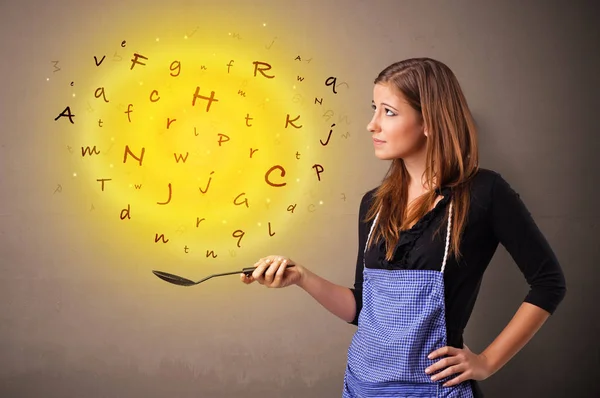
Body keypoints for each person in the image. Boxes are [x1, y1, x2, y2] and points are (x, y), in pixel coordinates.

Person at [240, 57, 567, 397]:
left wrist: (486, 361)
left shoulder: (484, 194)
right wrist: (301, 277)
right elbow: (361, 309)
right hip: (362, 387)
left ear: (429, 121)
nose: (372, 125)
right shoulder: (374, 204)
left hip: (433, 390)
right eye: (374, 109)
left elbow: (549, 283)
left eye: (389, 112)